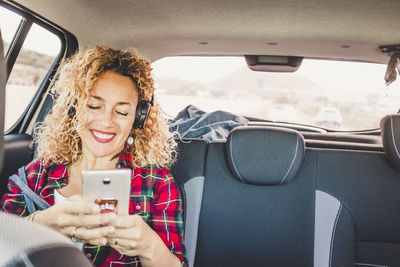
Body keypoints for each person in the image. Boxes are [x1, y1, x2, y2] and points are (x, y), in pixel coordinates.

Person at [0, 46, 187, 267]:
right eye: (94, 105)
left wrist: (150, 246)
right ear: (74, 108)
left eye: (122, 112)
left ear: (138, 119)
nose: (106, 121)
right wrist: (40, 223)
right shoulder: (36, 174)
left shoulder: (157, 183)